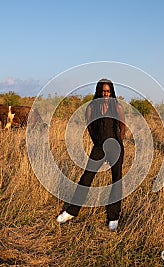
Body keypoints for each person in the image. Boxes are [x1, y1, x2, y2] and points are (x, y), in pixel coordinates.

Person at [56, 78, 125, 231]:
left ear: (111, 92)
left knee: (117, 180)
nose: (105, 94)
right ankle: (71, 211)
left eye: (108, 91)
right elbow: (90, 127)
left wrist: (119, 144)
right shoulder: (91, 108)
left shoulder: (117, 107)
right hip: (99, 146)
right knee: (86, 177)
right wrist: (98, 146)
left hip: (116, 147)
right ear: (98, 92)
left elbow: (122, 126)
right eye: (103, 91)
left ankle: (113, 217)